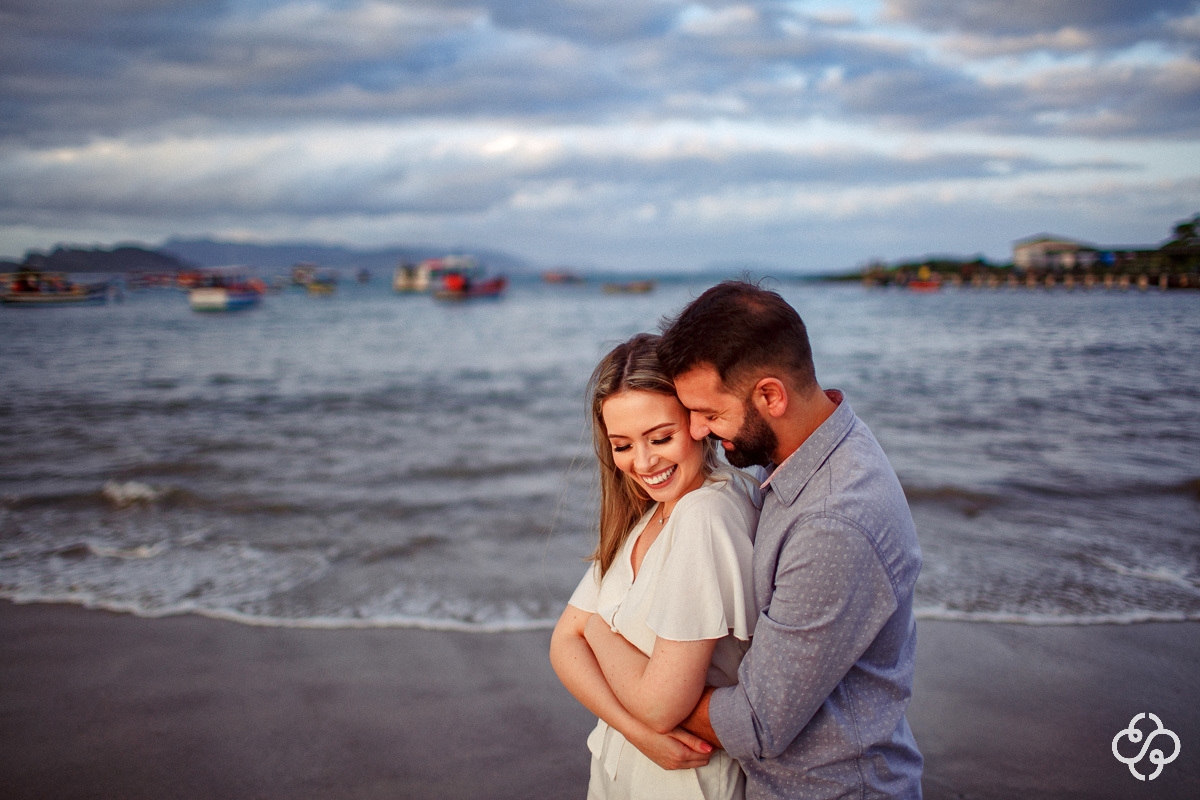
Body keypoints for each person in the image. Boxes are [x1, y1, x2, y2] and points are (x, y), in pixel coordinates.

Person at [657, 280, 924, 799]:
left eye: (710, 413)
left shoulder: (833, 522)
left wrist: (640, 686)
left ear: (770, 396)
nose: (695, 431)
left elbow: (754, 724)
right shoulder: (808, 447)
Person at [550, 333, 761, 800]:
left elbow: (661, 706)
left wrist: (598, 630)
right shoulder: (652, 510)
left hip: (685, 784)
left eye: (661, 438)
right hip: (625, 765)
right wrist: (636, 732)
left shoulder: (705, 514)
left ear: (697, 422)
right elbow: (563, 642)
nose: (643, 463)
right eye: (622, 445)